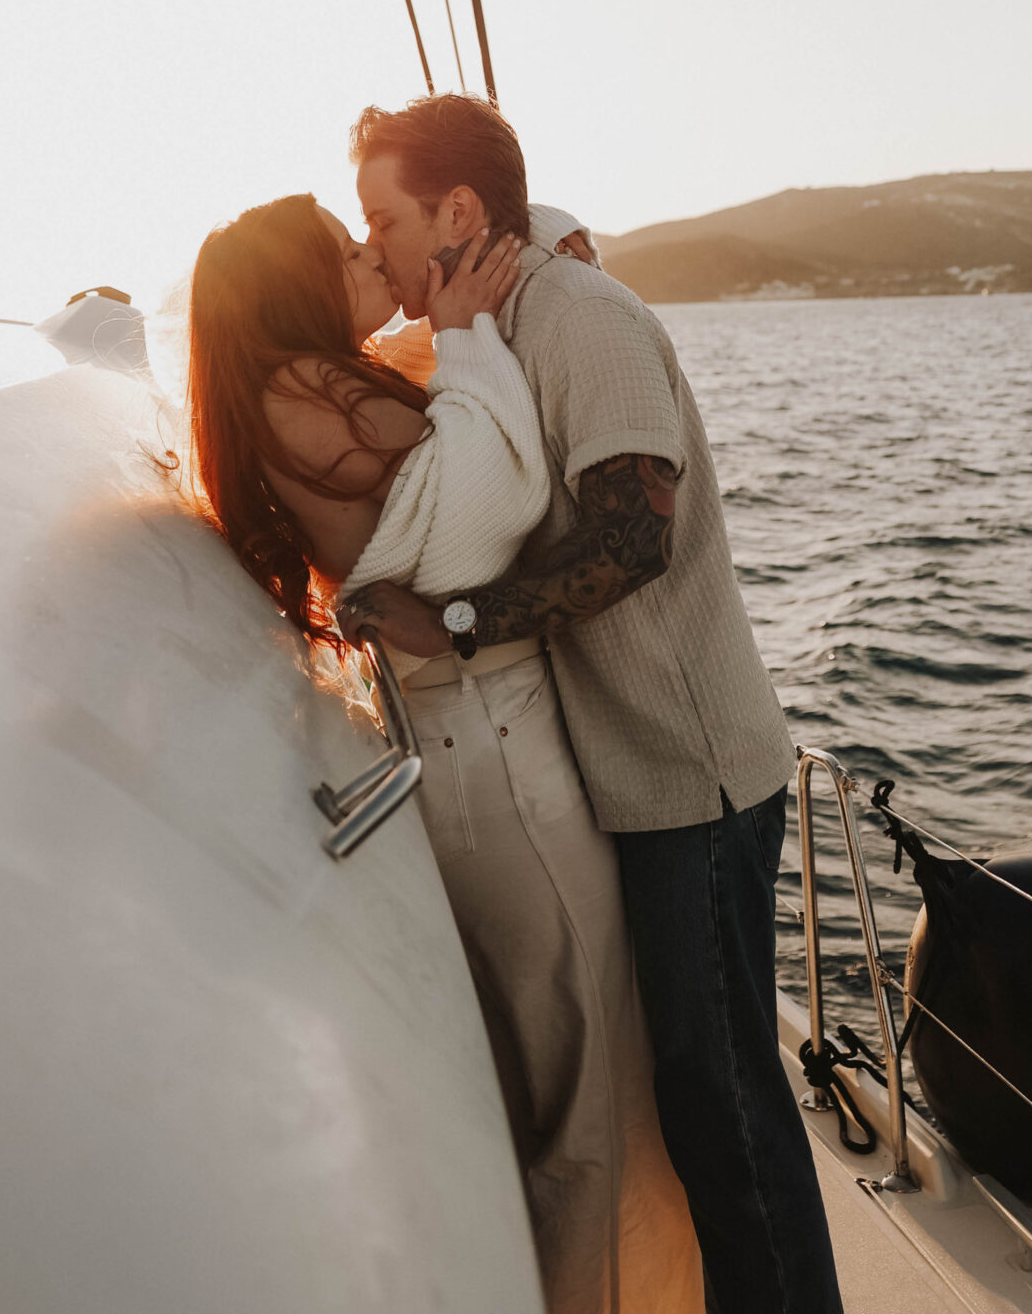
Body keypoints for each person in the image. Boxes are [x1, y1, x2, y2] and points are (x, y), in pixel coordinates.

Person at [346, 96, 844, 1314]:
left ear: (459, 213)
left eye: (384, 218)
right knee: (697, 1092)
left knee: (725, 1109)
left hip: (694, 777)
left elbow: (634, 536)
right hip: (641, 776)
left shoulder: (579, 318)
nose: (380, 244)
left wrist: (454, 624)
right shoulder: (504, 313)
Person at [184, 192, 701, 1314]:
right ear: (295, 284)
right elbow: (495, 490)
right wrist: (467, 335)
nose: (372, 255)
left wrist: (530, 258)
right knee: (595, 1107)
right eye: (348, 247)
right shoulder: (304, 391)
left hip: (471, 743)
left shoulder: (300, 381)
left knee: (564, 1085)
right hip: (497, 755)